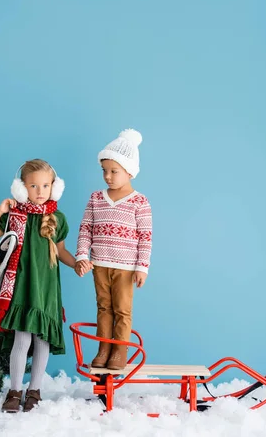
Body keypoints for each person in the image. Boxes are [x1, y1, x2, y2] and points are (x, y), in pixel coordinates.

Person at [0, 158, 89, 412]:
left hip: (47, 289)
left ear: (54, 187)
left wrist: (76, 264)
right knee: (22, 340)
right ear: (22, 188)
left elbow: (60, 251)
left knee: (42, 341)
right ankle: (15, 391)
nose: (40, 192)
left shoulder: (57, 219)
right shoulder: (15, 216)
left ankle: (35, 391)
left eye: (45, 186)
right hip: (22, 286)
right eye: (33, 186)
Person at [75, 129, 152, 370]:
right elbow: (85, 229)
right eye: (104, 171)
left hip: (126, 269)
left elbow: (145, 237)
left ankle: (119, 350)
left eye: (114, 171)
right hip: (100, 265)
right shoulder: (96, 198)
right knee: (103, 308)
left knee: (122, 310)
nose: (107, 176)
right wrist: (81, 256)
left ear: (129, 171)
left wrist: (142, 268)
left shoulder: (140, 201)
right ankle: (104, 347)